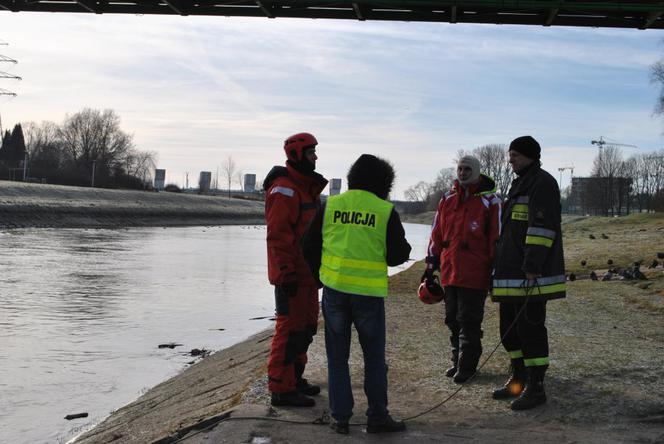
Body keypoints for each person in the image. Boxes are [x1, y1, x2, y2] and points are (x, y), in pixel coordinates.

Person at [302, 154, 411, 435]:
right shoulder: (384, 210)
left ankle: (340, 418)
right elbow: (400, 255)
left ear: (352, 177)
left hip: (335, 291)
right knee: (374, 359)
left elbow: (308, 245)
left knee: (337, 359)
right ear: (383, 181)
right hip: (368, 295)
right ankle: (377, 416)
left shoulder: (330, 206)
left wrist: (319, 279)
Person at [491, 135, 566, 410]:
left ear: (530, 155)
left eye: (515, 155)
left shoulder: (542, 183)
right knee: (508, 333)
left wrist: (533, 266)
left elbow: (542, 228)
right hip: (511, 275)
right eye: (510, 155)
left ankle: (536, 388)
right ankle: (517, 380)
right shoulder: (519, 182)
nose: (510, 160)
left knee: (530, 331)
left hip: (530, 276)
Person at [422, 155, 501, 384]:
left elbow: (496, 238)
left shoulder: (490, 201)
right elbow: (437, 233)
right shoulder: (447, 199)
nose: (463, 172)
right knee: (452, 318)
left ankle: (467, 366)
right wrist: (431, 263)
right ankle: (457, 360)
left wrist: (495, 269)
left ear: (476, 172)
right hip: (450, 269)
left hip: (475, 271)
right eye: (460, 168)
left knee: (469, 319)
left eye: (467, 169)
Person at [263, 132, 328, 407]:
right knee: (289, 330)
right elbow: (278, 237)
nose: (315, 156)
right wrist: (287, 272)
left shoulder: (304, 188)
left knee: (306, 328)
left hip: (307, 276)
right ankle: (281, 388)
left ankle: (294, 378)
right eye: (311, 152)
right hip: (292, 277)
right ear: (297, 154)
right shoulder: (284, 189)